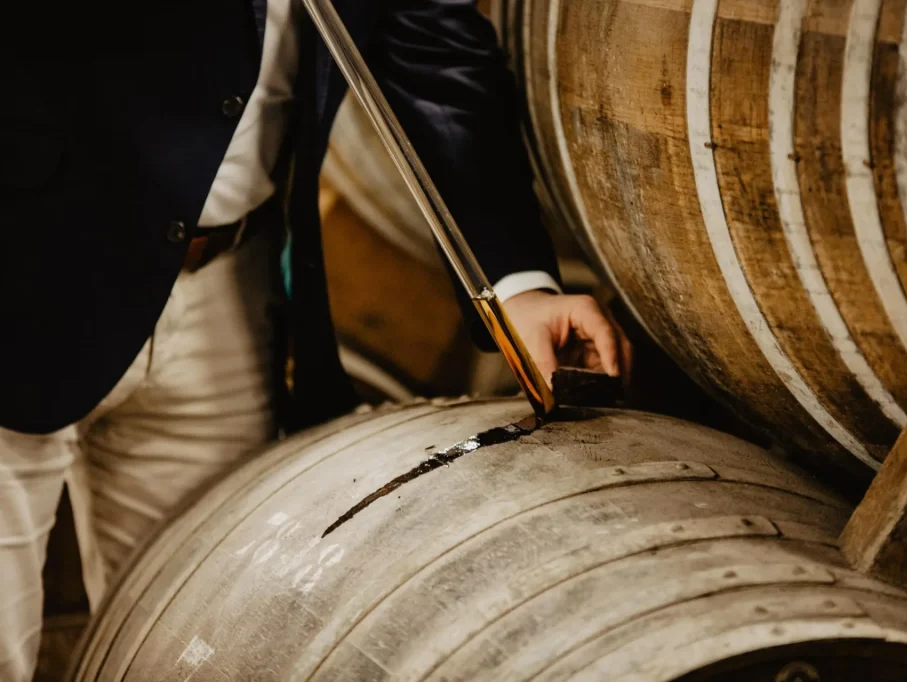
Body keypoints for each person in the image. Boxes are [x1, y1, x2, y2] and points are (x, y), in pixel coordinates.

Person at [0, 0, 632, 678]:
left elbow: (434, 45)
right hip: (25, 264)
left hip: (226, 285)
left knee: (181, 643)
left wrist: (516, 283)